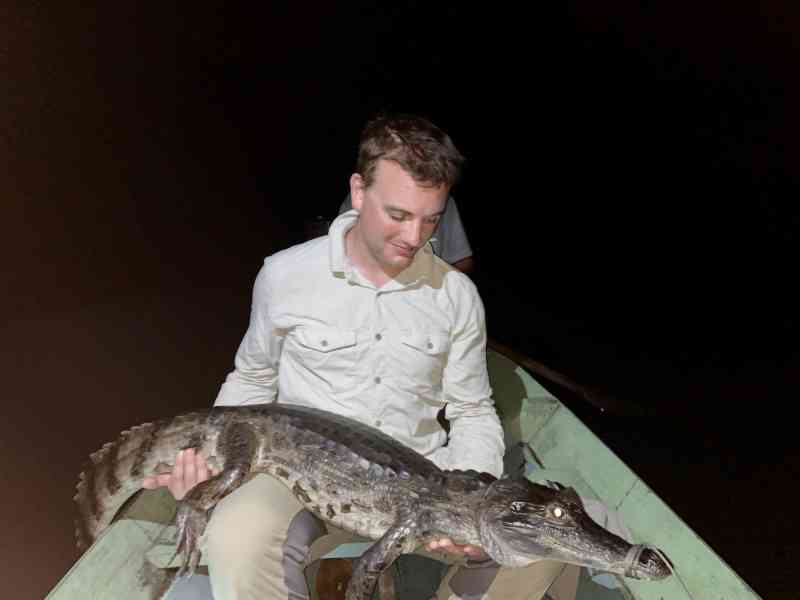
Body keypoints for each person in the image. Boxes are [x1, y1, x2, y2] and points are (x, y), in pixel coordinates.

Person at [143, 114, 566, 599]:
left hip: (419, 483)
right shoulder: (284, 275)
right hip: (295, 470)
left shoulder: (458, 296)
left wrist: (472, 501)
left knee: (542, 546)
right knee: (234, 537)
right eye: (399, 215)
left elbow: (471, 410)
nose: (416, 237)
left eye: (432, 219)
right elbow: (253, 379)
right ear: (359, 192)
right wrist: (204, 455)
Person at [338, 192, 475, 274]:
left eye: (431, 220)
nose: (414, 240)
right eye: (397, 216)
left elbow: (463, 261)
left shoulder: (443, 201)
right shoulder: (365, 197)